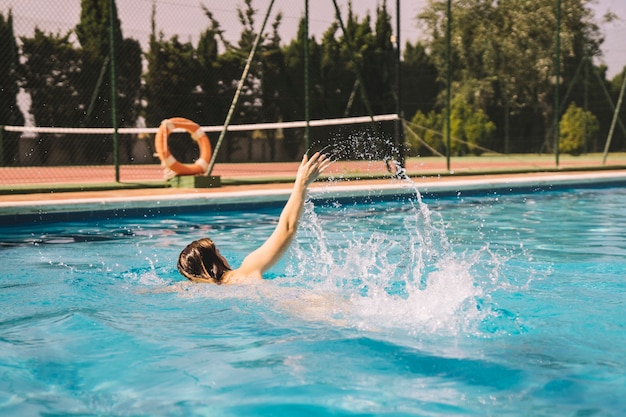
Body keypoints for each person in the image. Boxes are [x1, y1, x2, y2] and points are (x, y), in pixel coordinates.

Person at [177, 152, 332, 284]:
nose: (223, 256)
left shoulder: (201, 290)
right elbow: (287, 227)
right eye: (218, 252)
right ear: (216, 262)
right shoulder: (247, 270)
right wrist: (301, 184)